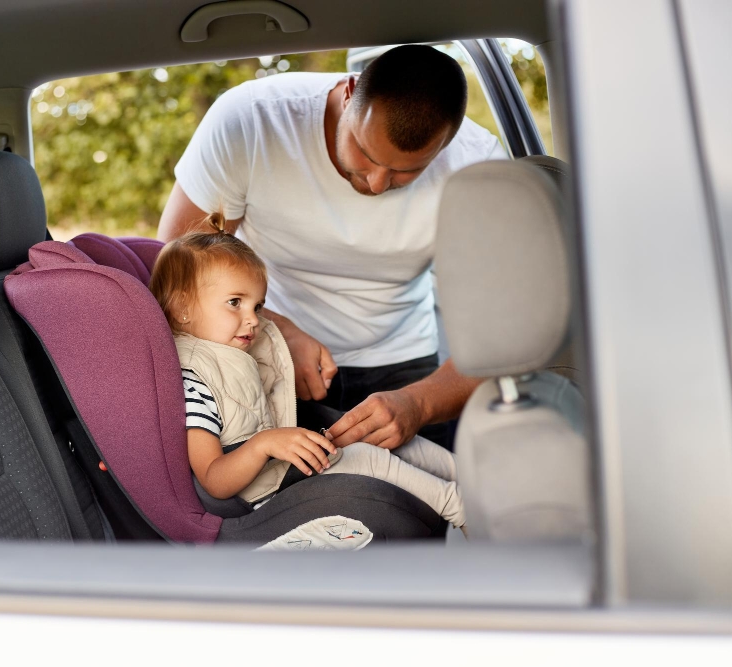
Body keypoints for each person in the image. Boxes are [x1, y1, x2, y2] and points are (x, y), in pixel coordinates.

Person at [157, 45, 508, 452]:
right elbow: (176, 269)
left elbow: (502, 338)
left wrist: (419, 403)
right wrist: (275, 330)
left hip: (405, 365)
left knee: (419, 509)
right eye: (364, 151)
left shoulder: (478, 167)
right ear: (348, 92)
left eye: (405, 171)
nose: (376, 183)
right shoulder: (251, 120)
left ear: (449, 143)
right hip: (263, 354)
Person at [148, 214, 466, 531]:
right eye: (235, 303)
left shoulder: (235, 357)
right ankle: (460, 507)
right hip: (262, 496)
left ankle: (469, 478)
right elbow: (214, 480)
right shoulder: (193, 384)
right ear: (183, 309)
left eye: (257, 306)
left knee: (385, 438)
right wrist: (264, 444)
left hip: (280, 468)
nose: (254, 319)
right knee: (364, 457)